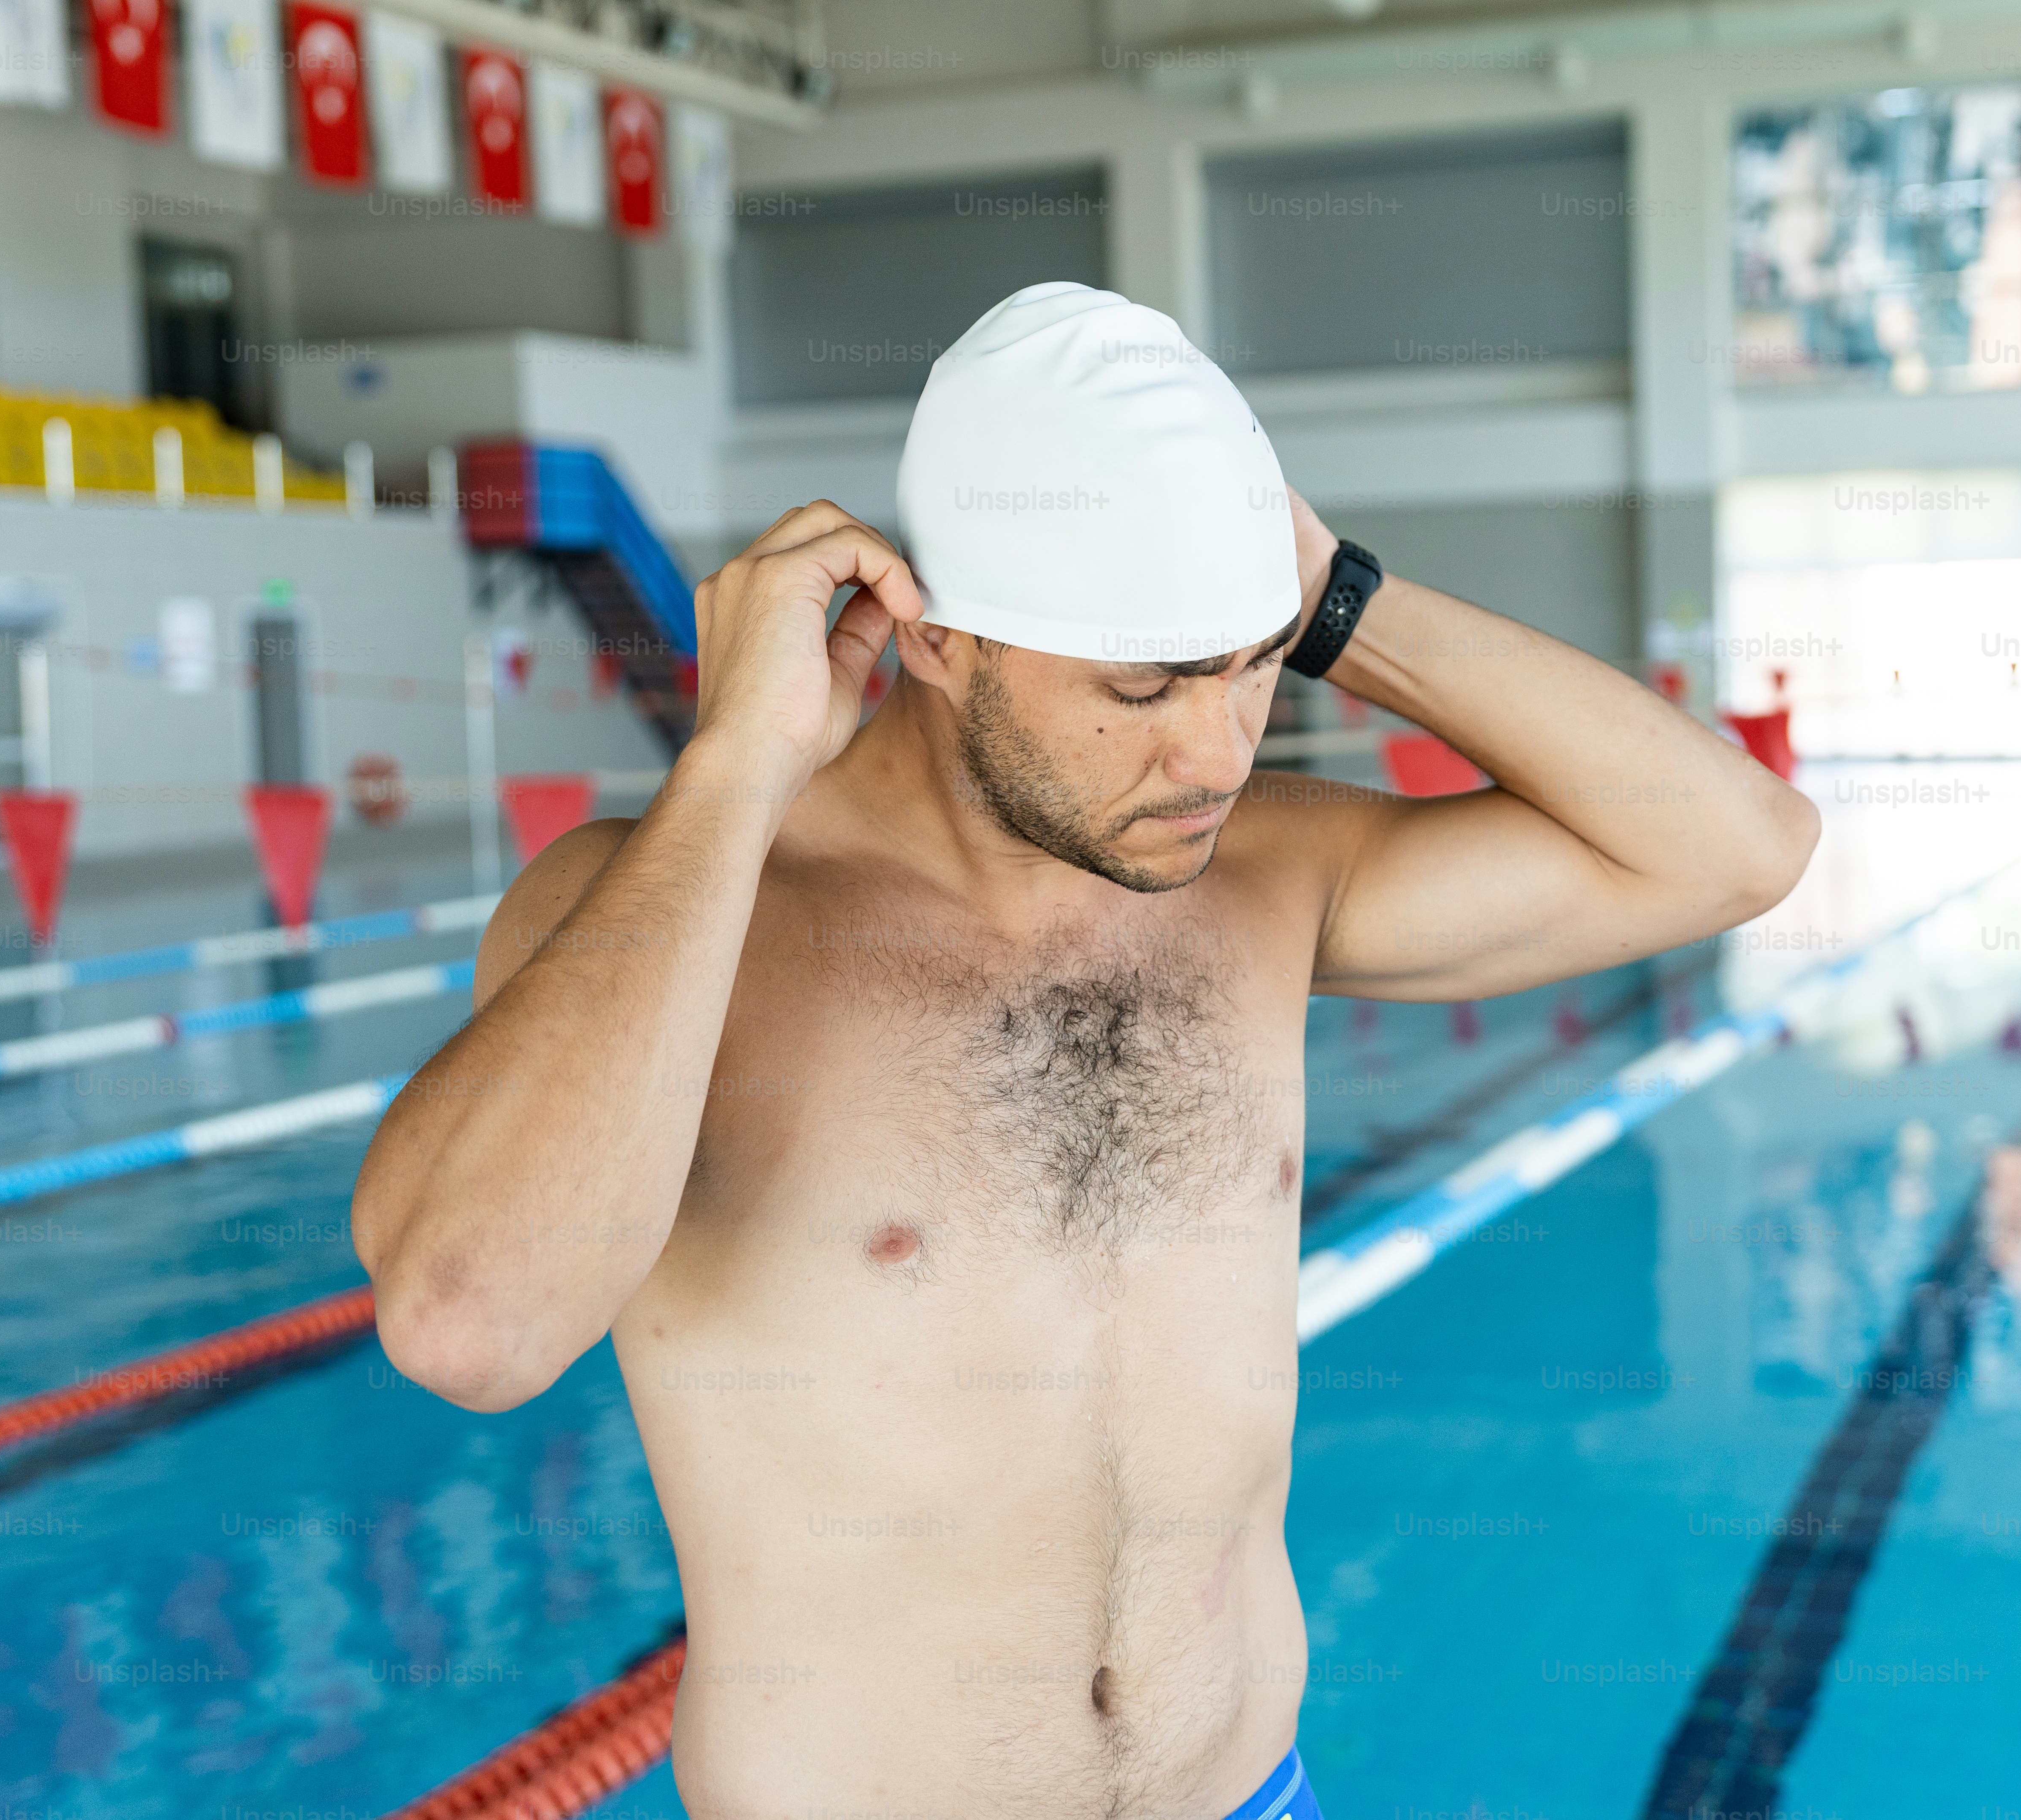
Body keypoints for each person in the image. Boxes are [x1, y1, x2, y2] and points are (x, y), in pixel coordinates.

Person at [352, 282, 1819, 1818]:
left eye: (1252, 663)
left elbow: (1738, 847)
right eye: (1144, 687)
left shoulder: (1263, 875)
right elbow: (470, 1324)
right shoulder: (666, 915)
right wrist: (734, 768)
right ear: (939, 641)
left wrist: (1342, 605)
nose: (1221, 750)